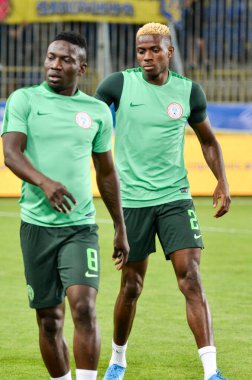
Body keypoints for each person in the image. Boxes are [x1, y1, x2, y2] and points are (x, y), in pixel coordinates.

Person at [94, 22, 231, 380]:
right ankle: (117, 360)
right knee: (131, 286)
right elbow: (89, 122)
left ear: (169, 51)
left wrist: (222, 181)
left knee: (191, 279)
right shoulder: (117, 85)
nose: (147, 56)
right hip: (132, 202)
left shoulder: (188, 92)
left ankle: (211, 370)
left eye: (155, 50)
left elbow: (208, 141)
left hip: (175, 198)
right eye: (141, 51)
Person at [1, 31, 129, 380]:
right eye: (51, 57)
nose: (55, 65)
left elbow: (106, 173)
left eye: (65, 59)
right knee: (49, 320)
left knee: (84, 309)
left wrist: (120, 227)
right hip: (37, 228)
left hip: (80, 228)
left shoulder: (98, 112)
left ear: (82, 67)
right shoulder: (23, 100)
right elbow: (11, 154)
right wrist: (45, 183)